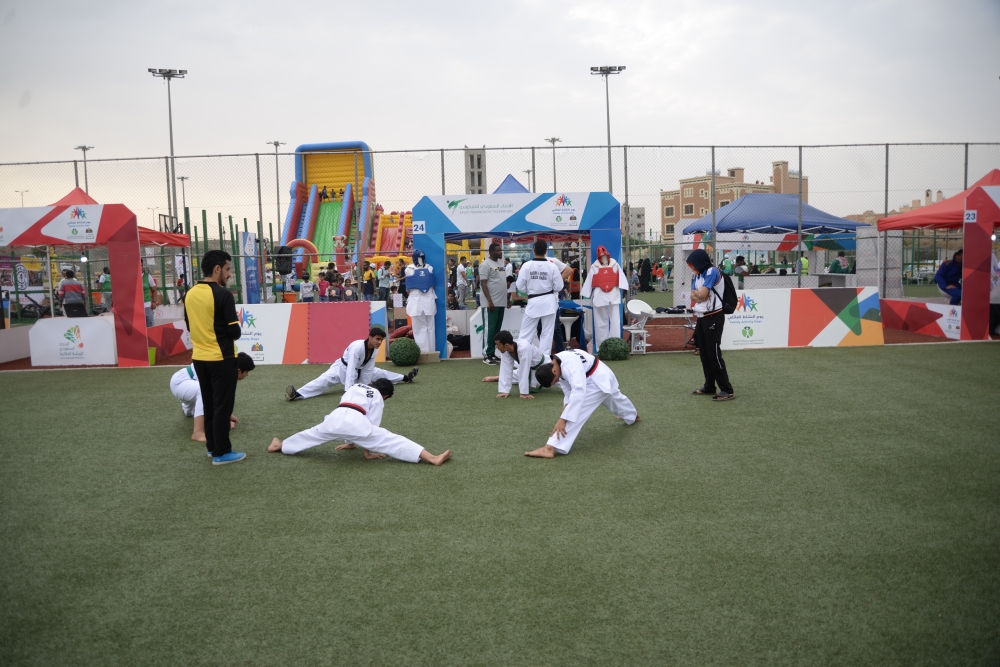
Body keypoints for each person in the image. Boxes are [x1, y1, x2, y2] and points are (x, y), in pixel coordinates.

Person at [268, 378, 451, 465]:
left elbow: (347, 416)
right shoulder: (377, 396)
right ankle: (433, 458)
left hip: (335, 419)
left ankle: (279, 446)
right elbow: (371, 426)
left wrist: (349, 443)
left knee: (310, 435)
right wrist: (367, 453)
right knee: (392, 440)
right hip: (356, 422)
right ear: (385, 395)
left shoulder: (355, 386)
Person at [184, 249, 246, 465]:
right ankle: (222, 452)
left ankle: (212, 448)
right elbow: (234, 331)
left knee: (209, 404)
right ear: (217, 269)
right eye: (227, 269)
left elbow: (190, 326)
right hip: (222, 359)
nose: (229, 274)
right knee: (222, 407)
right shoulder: (223, 295)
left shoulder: (190, 294)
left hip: (199, 359)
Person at [526, 349, 639, 458]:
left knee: (576, 412)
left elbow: (578, 392)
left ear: (554, 371)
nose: (557, 381)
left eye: (555, 380)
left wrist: (563, 419)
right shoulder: (557, 362)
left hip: (597, 379)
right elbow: (568, 390)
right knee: (614, 398)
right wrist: (566, 406)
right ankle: (632, 416)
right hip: (600, 374)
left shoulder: (569, 366)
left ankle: (549, 448)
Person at [285, 326, 417, 401]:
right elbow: (351, 369)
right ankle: (297, 394)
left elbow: (368, 370)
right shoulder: (357, 347)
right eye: (377, 339)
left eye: (381, 340)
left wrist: (364, 388)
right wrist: (348, 391)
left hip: (361, 369)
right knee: (323, 380)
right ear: (370, 337)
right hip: (342, 368)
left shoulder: (375, 350)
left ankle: (405, 378)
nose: (379, 342)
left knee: (379, 373)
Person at [171, 352, 255, 442]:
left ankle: (187, 408)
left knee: (189, 412)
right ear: (238, 370)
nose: (247, 375)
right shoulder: (223, 371)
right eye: (246, 372)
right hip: (181, 382)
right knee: (204, 391)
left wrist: (228, 415)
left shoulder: (227, 369)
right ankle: (197, 433)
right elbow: (214, 398)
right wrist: (224, 423)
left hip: (190, 382)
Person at [687, 249, 735, 402]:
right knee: (704, 353)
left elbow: (700, 295)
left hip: (714, 316)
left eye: (693, 264)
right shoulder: (697, 275)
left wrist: (700, 295)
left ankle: (727, 389)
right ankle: (709, 386)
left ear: (700, 261)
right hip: (702, 317)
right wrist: (699, 296)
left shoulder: (712, 271)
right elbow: (693, 295)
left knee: (713, 354)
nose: (692, 267)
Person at [515, 240, 563, 355]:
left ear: (533, 250)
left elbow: (520, 286)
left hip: (533, 300)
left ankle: (521, 357)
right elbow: (559, 286)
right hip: (549, 301)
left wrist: (530, 290)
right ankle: (544, 359)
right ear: (546, 251)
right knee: (547, 333)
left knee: (525, 333)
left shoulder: (526, 266)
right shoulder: (552, 266)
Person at [580, 245, 628, 351]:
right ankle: (602, 347)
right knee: (600, 324)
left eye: (605, 256)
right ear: (599, 258)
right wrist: (586, 293)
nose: (604, 258)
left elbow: (622, 280)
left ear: (608, 256)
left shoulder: (615, 265)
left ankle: (615, 347)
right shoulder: (594, 267)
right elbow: (589, 282)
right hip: (600, 298)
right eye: (602, 257)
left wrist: (624, 287)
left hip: (612, 297)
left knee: (615, 322)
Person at [483, 330, 549, 399]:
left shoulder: (524, 347)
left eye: (498, 345)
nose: (496, 347)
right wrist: (505, 391)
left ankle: (498, 378)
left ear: (506, 345)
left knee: (555, 379)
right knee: (517, 374)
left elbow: (524, 370)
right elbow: (506, 369)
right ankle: (498, 378)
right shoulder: (506, 350)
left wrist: (524, 392)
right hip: (528, 369)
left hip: (544, 368)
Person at [479, 242, 507, 365]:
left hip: (501, 302)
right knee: (489, 329)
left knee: (496, 330)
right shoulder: (485, 264)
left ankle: (492, 353)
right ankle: (486, 354)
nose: (500, 252)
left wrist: (507, 298)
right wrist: (489, 300)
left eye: (501, 250)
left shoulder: (500, 264)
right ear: (491, 252)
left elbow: (502, 282)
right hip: (491, 303)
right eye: (498, 250)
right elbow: (483, 283)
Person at [405, 249, 437, 354]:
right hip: (416, 299)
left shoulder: (429, 267)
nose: (421, 260)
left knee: (430, 327)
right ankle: (422, 352)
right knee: (419, 327)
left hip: (427, 298)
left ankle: (431, 352)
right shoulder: (409, 269)